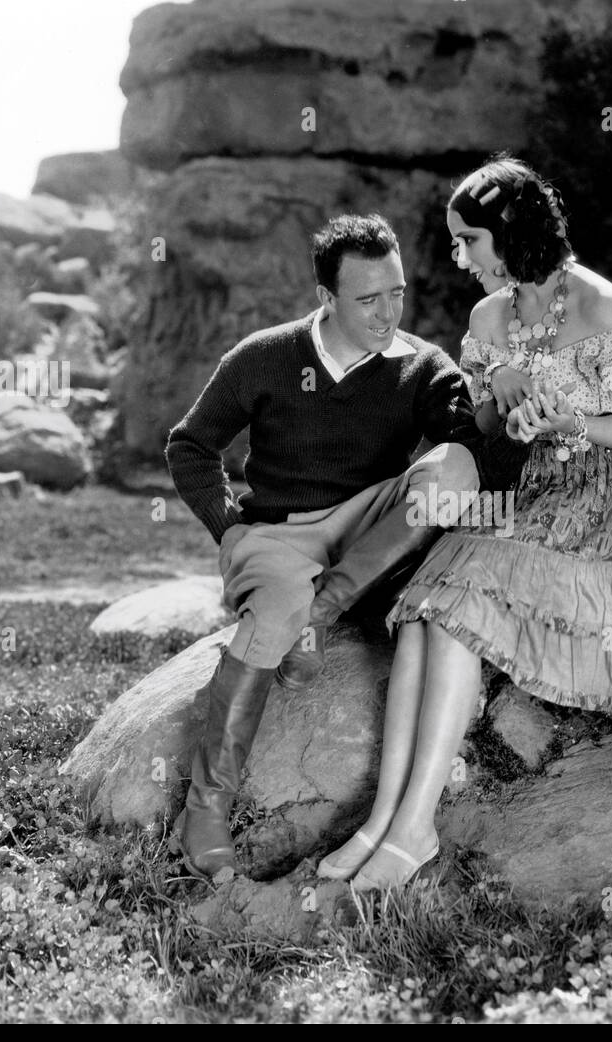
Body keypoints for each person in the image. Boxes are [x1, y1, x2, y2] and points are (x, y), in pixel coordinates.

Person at [316, 157, 612, 891]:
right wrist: (498, 386)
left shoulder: (599, 305)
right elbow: (484, 422)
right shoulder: (488, 318)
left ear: (511, 234)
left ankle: (415, 825)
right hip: (524, 490)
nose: (461, 257)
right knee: (428, 608)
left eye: (470, 241)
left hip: (599, 499)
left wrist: (574, 420)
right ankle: (383, 817)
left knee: (458, 608)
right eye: (457, 242)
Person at [165, 212, 528, 878]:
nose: (388, 311)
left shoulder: (421, 366)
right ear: (326, 297)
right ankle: (207, 809)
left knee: (452, 464)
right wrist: (230, 527)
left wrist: (505, 408)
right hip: (278, 534)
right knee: (272, 614)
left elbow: (478, 459)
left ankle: (322, 613)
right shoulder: (264, 356)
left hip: (367, 533)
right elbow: (189, 445)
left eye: (396, 293)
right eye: (368, 298)